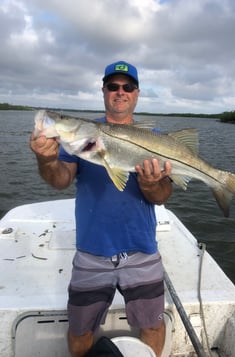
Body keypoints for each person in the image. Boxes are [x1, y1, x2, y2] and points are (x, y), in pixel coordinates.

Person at [30, 60, 173, 357]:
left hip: (141, 248)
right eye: (113, 86)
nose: (120, 92)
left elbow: (163, 195)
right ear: (104, 91)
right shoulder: (81, 140)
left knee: (153, 326)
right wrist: (46, 160)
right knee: (80, 330)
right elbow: (60, 180)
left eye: (127, 86)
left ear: (136, 93)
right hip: (91, 251)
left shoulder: (157, 137)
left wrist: (150, 185)